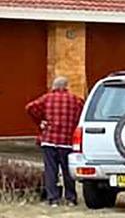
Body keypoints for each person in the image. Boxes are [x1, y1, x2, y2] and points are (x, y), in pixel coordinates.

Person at [25, 76, 85, 207]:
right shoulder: (77, 101)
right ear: (66, 86)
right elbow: (82, 115)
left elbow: (30, 107)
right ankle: (71, 198)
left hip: (49, 140)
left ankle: (53, 199)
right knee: (67, 171)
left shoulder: (46, 99)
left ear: (54, 86)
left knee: (51, 170)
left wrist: (40, 121)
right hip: (67, 141)